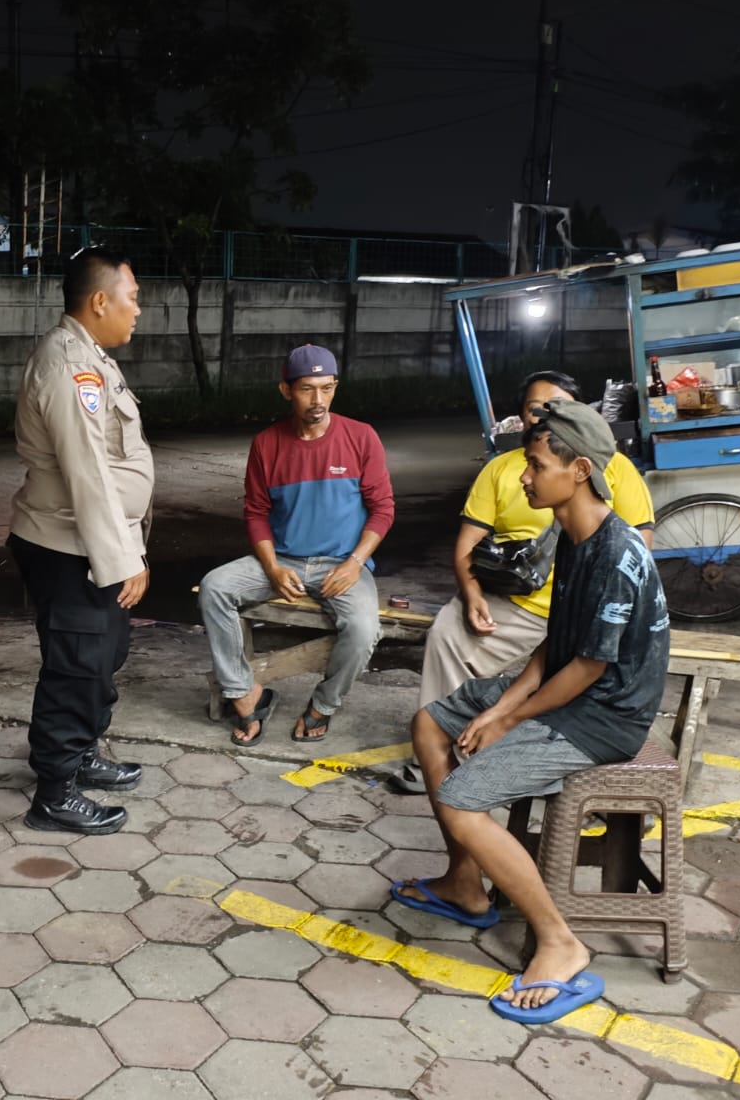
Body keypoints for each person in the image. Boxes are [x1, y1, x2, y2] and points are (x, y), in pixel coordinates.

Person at [390, 399, 670, 1024]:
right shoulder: (571, 535)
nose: (523, 476)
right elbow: (554, 645)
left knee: (461, 799)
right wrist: (504, 704)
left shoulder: (616, 555)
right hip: (568, 688)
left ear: (579, 470)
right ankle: (465, 883)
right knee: (430, 723)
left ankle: (560, 942)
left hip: (604, 715)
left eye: (536, 465)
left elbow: (588, 668)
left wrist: (508, 719)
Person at [389, 370, 655, 794]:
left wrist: (508, 716)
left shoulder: (611, 483)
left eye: (558, 409)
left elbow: (634, 553)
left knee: (578, 677)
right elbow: (467, 544)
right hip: (515, 603)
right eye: (536, 410)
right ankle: (441, 752)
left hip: (583, 618)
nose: (544, 418)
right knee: (449, 635)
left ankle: (503, 765)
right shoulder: (505, 471)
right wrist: (472, 595)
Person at [7, 246, 152, 835]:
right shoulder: (70, 366)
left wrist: (130, 548)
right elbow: (88, 472)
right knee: (76, 669)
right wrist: (123, 560)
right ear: (99, 301)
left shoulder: (92, 357)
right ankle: (54, 793)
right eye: (132, 298)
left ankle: (82, 753)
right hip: (71, 548)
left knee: (102, 659)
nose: (138, 310)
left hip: (89, 544)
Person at [198, 344, 395, 747]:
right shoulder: (267, 444)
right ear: (286, 390)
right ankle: (244, 693)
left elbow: (383, 509)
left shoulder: (361, 437)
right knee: (215, 587)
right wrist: (272, 567)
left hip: (342, 564)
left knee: (363, 628)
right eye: (307, 389)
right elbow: (256, 512)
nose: (318, 400)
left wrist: (355, 563)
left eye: (327, 388)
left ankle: (323, 705)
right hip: (283, 559)